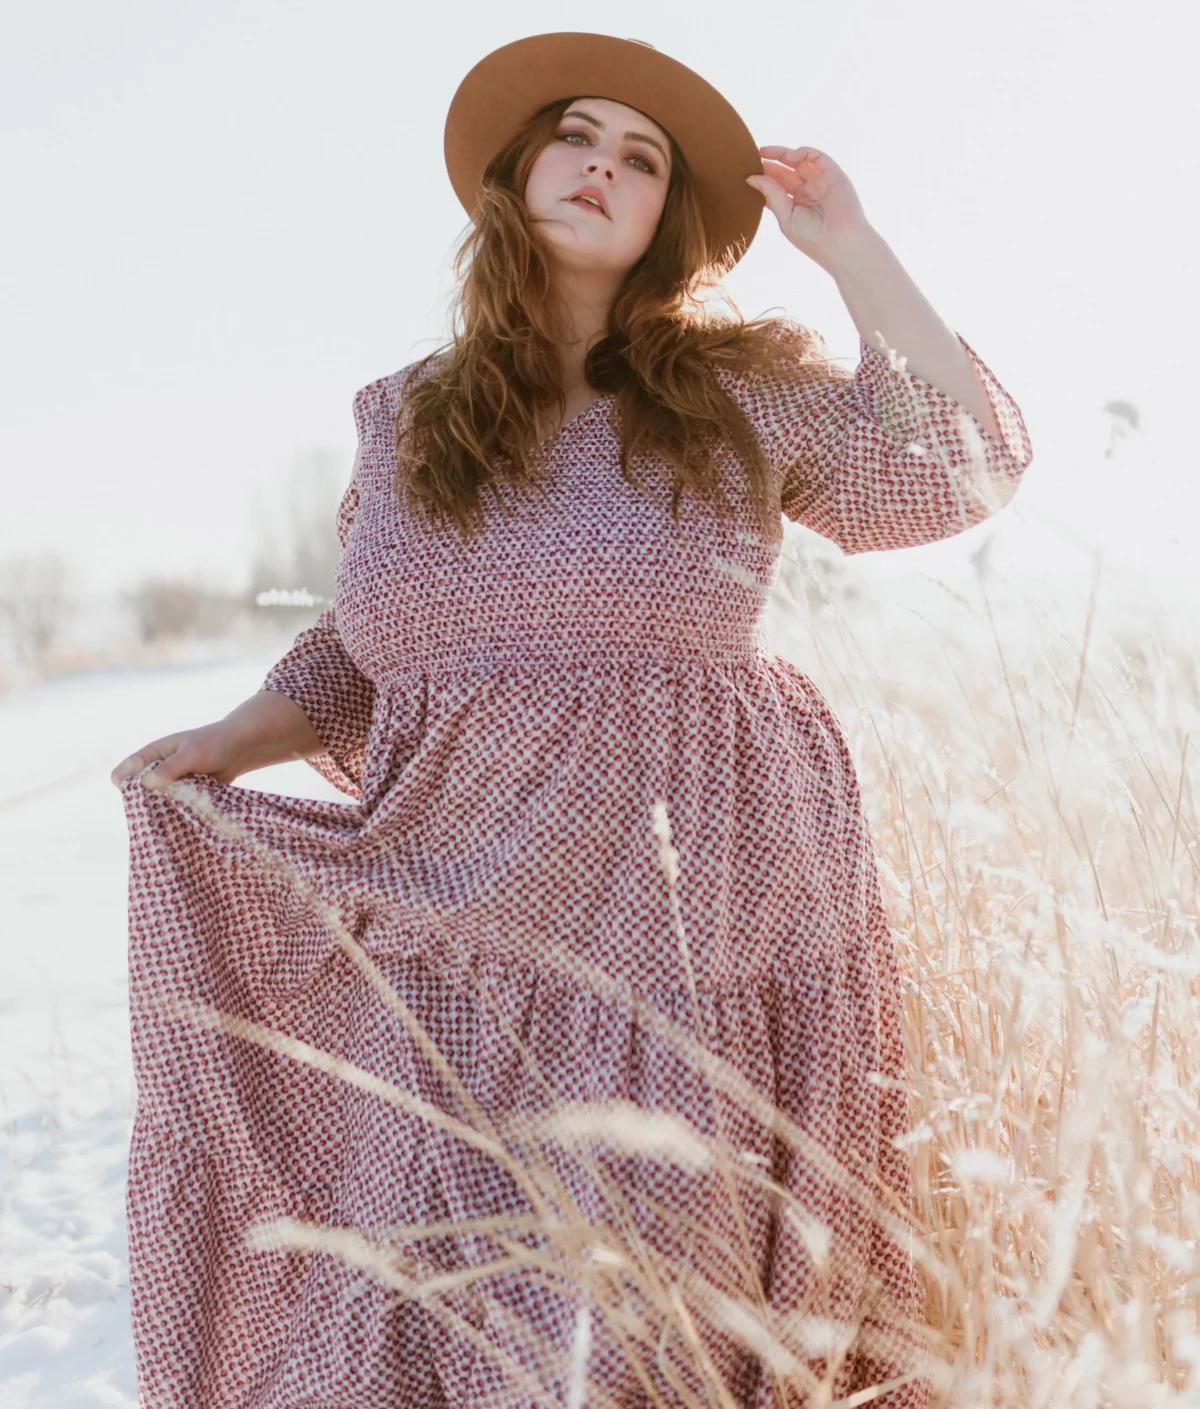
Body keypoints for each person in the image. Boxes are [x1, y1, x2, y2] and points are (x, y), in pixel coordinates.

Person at [110, 31, 1032, 1409]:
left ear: (670, 219)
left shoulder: (739, 393)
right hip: (464, 922)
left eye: (641, 158)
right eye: (576, 137)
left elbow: (965, 465)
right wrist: (228, 743)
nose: (603, 166)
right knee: (460, 1288)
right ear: (517, 174)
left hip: (693, 917)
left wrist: (853, 252)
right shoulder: (407, 415)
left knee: (649, 1306)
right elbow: (368, 640)